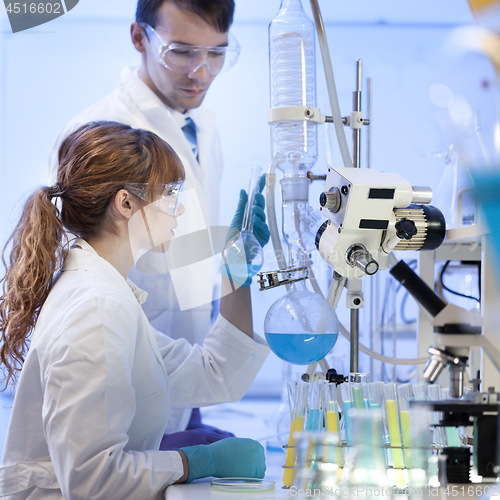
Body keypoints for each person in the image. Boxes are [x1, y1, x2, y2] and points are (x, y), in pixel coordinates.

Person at [0, 121, 270, 499]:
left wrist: (235, 275)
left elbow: (214, 374)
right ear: (126, 203)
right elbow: (92, 480)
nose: (179, 211)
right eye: (171, 195)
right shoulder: (96, 308)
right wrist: (193, 462)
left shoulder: (109, 294)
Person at [48, 0, 245, 444]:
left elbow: (170, 246)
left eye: (217, 53)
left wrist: (229, 245)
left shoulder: (201, 128)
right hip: (119, 381)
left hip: (179, 374)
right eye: (181, 51)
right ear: (140, 38)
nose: (202, 71)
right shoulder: (101, 133)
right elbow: (85, 264)